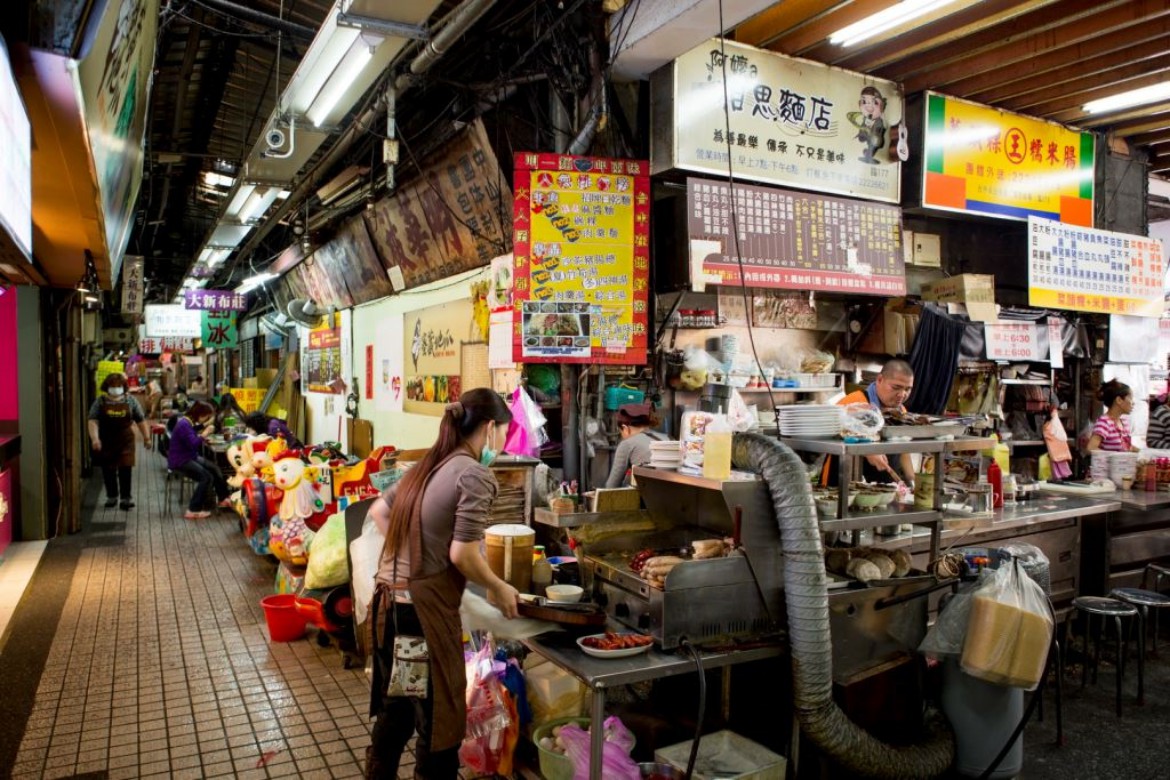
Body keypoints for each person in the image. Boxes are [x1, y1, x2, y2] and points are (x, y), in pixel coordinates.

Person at [364, 388, 519, 780]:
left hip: (389, 609)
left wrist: (413, 557)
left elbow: (379, 511)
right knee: (438, 726)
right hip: (422, 617)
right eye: (503, 431)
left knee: (397, 708)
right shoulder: (473, 473)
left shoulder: (428, 465)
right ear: (489, 428)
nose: (502, 442)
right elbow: (462, 556)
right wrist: (499, 587)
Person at [827, 359, 916, 486]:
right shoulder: (855, 402)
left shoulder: (902, 411)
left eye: (908, 389)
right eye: (896, 387)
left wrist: (912, 481)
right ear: (879, 379)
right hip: (843, 484)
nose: (902, 395)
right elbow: (833, 432)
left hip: (885, 490)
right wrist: (866, 449)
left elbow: (904, 448)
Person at [87, 373, 152, 509]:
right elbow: (92, 420)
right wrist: (95, 438)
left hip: (125, 440)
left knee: (125, 468)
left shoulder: (130, 401)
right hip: (106, 440)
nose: (116, 389)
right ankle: (112, 496)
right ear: (107, 387)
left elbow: (140, 419)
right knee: (108, 469)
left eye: (119, 386)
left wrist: (146, 437)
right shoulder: (100, 401)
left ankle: (125, 498)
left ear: (123, 387)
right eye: (113, 386)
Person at [167, 400, 231, 519]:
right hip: (181, 460)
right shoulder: (184, 425)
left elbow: (192, 432)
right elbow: (194, 443)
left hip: (188, 456)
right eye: (206, 416)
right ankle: (193, 509)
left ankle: (223, 498)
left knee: (214, 468)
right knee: (206, 477)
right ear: (200, 414)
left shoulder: (187, 421)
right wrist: (205, 433)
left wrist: (203, 426)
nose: (206, 419)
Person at [605, 402, 670, 487]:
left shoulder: (627, 444)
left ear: (625, 428)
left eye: (620, 432)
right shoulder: (667, 437)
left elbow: (611, 486)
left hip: (650, 496)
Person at [1086, 379, 1139, 453]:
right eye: (1130, 398)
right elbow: (1091, 448)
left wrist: (1141, 452)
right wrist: (1114, 456)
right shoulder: (1104, 422)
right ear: (1119, 400)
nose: (1133, 403)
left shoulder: (1124, 422)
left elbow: (1126, 447)